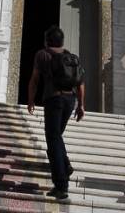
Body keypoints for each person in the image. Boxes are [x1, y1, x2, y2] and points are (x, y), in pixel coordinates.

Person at [27, 25, 85, 201]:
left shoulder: (42, 55)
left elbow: (35, 80)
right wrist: (81, 105)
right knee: (56, 136)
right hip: (70, 100)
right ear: (62, 41)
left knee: (53, 140)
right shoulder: (71, 57)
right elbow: (80, 83)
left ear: (47, 40)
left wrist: (31, 100)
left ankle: (61, 185)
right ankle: (65, 165)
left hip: (53, 99)